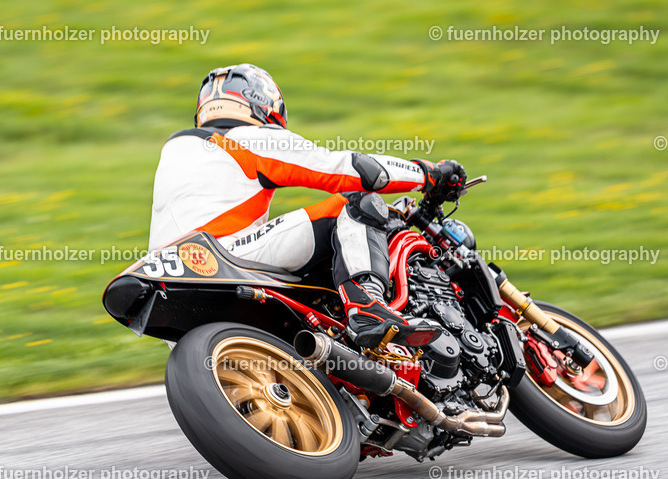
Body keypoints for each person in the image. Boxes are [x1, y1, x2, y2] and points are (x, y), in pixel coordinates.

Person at [149, 63, 466, 349]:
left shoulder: (175, 148)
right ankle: (367, 307)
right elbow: (350, 170)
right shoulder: (245, 138)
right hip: (223, 257)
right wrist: (428, 174)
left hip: (172, 287)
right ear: (262, 101)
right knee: (354, 203)